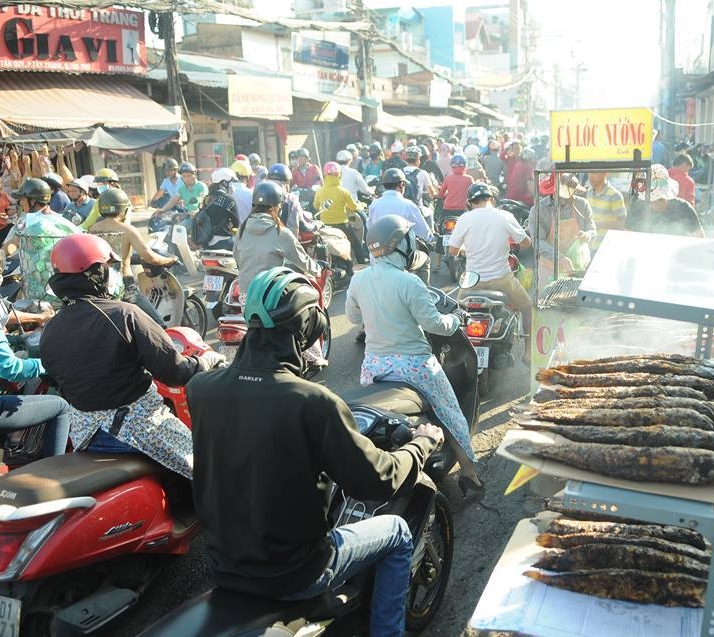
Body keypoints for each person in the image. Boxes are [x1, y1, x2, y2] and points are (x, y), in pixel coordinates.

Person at [189, 266, 441, 636]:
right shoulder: (313, 402)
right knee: (398, 533)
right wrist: (422, 442)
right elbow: (378, 482)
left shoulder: (202, 388)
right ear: (308, 326)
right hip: (296, 573)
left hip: (224, 567)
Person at [40, 234, 225, 478]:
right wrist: (204, 363)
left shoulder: (51, 328)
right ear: (96, 273)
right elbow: (175, 373)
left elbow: (55, 379)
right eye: (108, 266)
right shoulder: (125, 314)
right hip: (137, 430)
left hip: (85, 436)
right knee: (213, 471)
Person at [347, 215, 482, 495]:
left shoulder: (359, 279)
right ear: (400, 245)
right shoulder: (409, 282)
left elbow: (351, 316)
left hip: (374, 365)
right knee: (449, 411)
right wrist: (456, 319)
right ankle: (470, 475)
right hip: (414, 365)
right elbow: (434, 324)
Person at [0, 233, 70, 458]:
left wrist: (14, 340)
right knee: (60, 407)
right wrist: (47, 365)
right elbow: (10, 369)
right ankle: (56, 477)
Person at [448, 183, 532, 361]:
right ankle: (528, 352)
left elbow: (452, 251)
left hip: (472, 282)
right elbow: (526, 243)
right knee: (527, 306)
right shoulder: (504, 216)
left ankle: (452, 352)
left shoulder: (464, 219)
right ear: (492, 199)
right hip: (501, 279)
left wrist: (465, 248)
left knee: (455, 312)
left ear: (470, 202)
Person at [88, 188, 175, 326]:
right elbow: (151, 258)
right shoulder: (128, 230)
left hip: (99, 287)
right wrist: (171, 259)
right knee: (159, 326)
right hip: (124, 287)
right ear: (123, 209)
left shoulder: (92, 229)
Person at [234, 181, 319, 298]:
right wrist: (319, 269)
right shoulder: (280, 232)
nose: (280, 208)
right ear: (274, 207)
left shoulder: (242, 229)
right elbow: (301, 260)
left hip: (245, 295)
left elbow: (237, 259)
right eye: (279, 205)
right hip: (270, 295)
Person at [3, 178, 81, 301]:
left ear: (33, 201)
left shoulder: (26, 221)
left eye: (23, 199)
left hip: (37, 287)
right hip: (63, 284)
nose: (21, 203)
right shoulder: (63, 221)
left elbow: (11, 246)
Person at [528, 173, 596, 281]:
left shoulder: (582, 205)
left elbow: (592, 229)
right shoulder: (539, 210)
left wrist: (587, 235)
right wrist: (559, 257)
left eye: (572, 189)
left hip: (578, 267)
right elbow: (537, 241)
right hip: (550, 270)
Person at [626, 164, 704, 238]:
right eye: (650, 200)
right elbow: (627, 238)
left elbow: (699, 237)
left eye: (660, 199)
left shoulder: (683, 208)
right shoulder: (638, 209)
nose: (655, 204)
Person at [313, 161, 364, 270]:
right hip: (342, 225)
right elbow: (354, 207)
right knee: (356, 245)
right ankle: (361, 264)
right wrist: (361, 206)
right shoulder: (343, 191)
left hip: (325, 226)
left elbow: (316, 206)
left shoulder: (319, 191)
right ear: (339, 175)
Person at [196, 168, 242, 251]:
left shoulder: (207, 198)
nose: (232, 185)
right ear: (224, 183)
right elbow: (237, 224)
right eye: (231, 182)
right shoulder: (229, 200)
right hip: (224, 242)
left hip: (206, 243)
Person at [268, 163, 319, 237]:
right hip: (283, 243)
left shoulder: (258, 195)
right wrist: (315, 226)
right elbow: (302, 225)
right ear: (287, 182)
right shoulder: (290, 199)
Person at [585, 171, 627, 247]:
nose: (590, 176)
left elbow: (621, 224)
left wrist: (596, 224)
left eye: (594, 172)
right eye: (589, 172)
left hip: (605, 248)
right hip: (589, 247)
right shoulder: (589, 192)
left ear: (605, 173)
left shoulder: (615, 195)